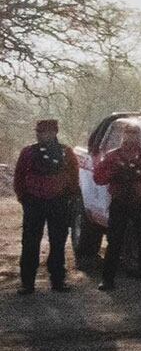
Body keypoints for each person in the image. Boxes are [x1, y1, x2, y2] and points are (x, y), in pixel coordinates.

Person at [95, 123, 141, 290]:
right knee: (114, 241)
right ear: (123, 136)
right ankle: (108, 279)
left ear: (139, 137)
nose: (131, 137)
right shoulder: (113, 156)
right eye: (128, 133)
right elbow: (98, 177)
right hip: (120, 202)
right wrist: (116, 173)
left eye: (134, 134)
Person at [14, 119, 79, 294]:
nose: (39, 134)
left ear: (54, 133)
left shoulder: (66, 152)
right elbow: (19, 176)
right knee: (30, 243)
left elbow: (74, 176)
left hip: (58, 201)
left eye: (43, 132)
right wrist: (24, 198)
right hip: (34, 201)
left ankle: (57, 280)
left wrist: (71, 196)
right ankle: (28, 283)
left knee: (58, 242)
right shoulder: (28, 152)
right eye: (39, 131)